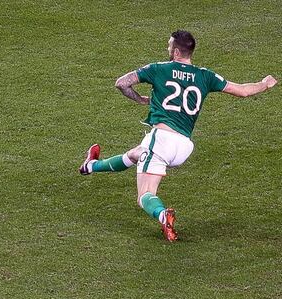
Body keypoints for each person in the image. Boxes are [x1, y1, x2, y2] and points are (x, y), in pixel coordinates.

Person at [79, 30, 276, 241]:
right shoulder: (206, 75)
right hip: (183, 147)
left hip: (162, 140)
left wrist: (141, 100)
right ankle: (90, 166)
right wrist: (265, 84)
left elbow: (122, 83)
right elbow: (243, 90)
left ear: (174, 51)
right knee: (137, 153)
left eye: (168, 46)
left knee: (145, 195)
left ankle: (163, 216)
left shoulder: (158, 68)